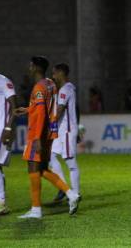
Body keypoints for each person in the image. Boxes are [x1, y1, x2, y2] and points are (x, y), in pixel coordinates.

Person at [15, 56, 80, 219]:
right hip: (49, 134)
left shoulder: (38, 87)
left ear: (36, 68)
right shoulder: (50, 84)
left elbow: (40, 114)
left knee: (33, 168)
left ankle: (36, 209)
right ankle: (71, 194)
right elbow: (44, 107)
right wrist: (27, 109)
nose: (29, 69)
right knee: (42, 168)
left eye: (31, 66)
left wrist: (36, 137)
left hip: (38, 134)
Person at [0, 56, 17, 217]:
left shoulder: (3, 81)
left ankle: (1, 204)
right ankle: (2, 202)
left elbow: (14, 106)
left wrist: (8, 127)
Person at [49, 63, 80, 202]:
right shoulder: (64, 88)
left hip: (66, 130)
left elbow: (60, 109)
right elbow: (75, 109)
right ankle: (64, 188)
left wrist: (49, 124)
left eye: (54, 73)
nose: (53, 76)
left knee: (70, 162)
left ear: (61, 73)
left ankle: (76, 193)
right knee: (51, 156)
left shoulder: (65, 89)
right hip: (62, 129)